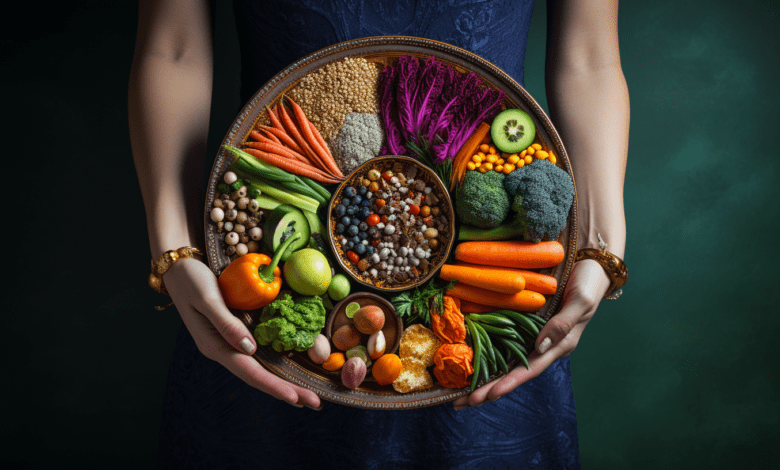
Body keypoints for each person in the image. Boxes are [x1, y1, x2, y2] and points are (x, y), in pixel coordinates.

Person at [129, 0, 628, 468]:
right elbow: (173, 50)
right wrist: (174, 252)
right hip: (246, 291)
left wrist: (601, 248)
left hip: (500, 295)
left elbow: (590, 58)